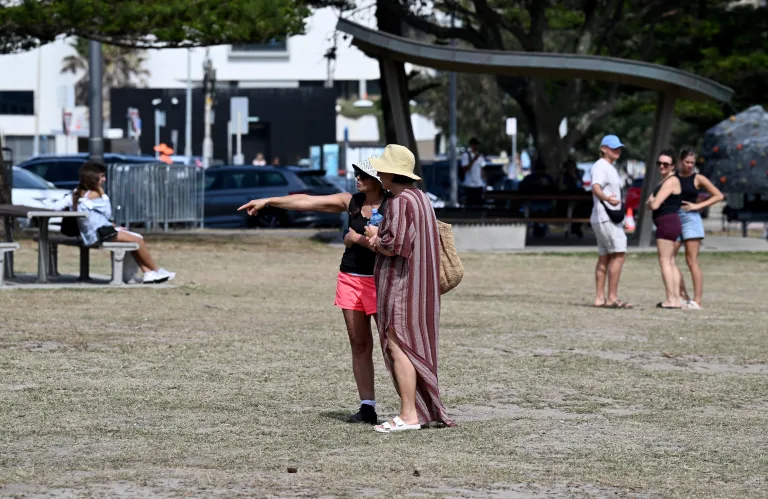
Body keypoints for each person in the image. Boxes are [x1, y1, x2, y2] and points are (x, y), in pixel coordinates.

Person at [238, 159, 390, 424]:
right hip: (351, 278)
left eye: (362, 175)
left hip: (382, 281)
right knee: (360, 345)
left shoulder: (395, 205)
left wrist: (358, 240)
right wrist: (268, 200)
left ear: (378, 178)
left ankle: (411, 408)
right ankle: (367, 407)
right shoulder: (350, 201)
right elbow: (307, 201)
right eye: (356, 174)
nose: (357, 178)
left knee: (392, 347)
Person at [365, 144, 455, 433]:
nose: (378, 172)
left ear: (392, 173)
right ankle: (417, 411)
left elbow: (396, 246)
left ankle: (408, 415)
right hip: (422, 287)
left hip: (402, 287)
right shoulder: (421, 198)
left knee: (398, 345)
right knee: (415, 347)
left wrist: (375, 238)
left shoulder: (399, 202)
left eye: (382, 168)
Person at [55, 161, 175, 284]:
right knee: (138, 239)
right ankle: (157, 270)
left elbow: (57, 207)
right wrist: (103, 195)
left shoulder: (76, 193)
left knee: (134, 239)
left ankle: (148, 273)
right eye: (101, 176)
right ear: (93, 178)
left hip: (91, 235)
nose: (104, 179)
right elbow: (107, 213)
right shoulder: (95, 194)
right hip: (101, 234)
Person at [673, 148, 723, 310]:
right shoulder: (672, 178)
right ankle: (682, 295)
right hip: (674, 218)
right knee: (669, 259)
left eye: (692, 163)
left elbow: (718, 195)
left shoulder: (698, 178)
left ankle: (697, 300)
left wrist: (698, 206)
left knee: (691, 260)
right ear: (680, 161)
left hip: (690, 219)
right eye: (687, 162)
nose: (690, 166)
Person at [590, 135, 632, 308]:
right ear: (603, 149)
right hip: (606, 217)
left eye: (619, 147)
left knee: (605, 257)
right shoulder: (601, 166)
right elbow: (595, 187)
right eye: (613, 147)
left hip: (604, 218)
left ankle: (600, 298)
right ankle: (612, 298)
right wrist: (607, 198)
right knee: (618, 254)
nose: (618, 150)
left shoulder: (609, 167)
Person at [646, 149, 684, 309]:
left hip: (667, 223)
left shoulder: (670, 181)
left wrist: (652, 201)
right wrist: (652, 201)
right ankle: (676, 298)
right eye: (659, 163)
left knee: (665, 261)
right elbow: (650, 202)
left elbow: (653, 204)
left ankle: (671, 299)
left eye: (666, 164)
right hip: (669, 223)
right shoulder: (664, 181)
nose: (662, 166)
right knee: (671, 261)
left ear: (673, 165)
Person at [558, 159, 585, 238]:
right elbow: (561, 186)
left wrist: (575, 177)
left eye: (572, 167)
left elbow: (580, 185)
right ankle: (567, 229)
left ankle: (576, 228)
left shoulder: (578, 175)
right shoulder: (564, 176)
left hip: (579, 199)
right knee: (568, 212)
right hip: (566, 200)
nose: (571, 168)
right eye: (569, 167)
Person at [461, 137, 486, 208]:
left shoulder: (480, 156)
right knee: (470, 206)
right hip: (469, 185)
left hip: (479, 185)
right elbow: (465, 169)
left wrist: (484, 181)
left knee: (479, 205)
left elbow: (482, 169)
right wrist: (473, 160)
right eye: (474, 144)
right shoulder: (466, 155)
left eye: (477, 145)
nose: (476, 146)